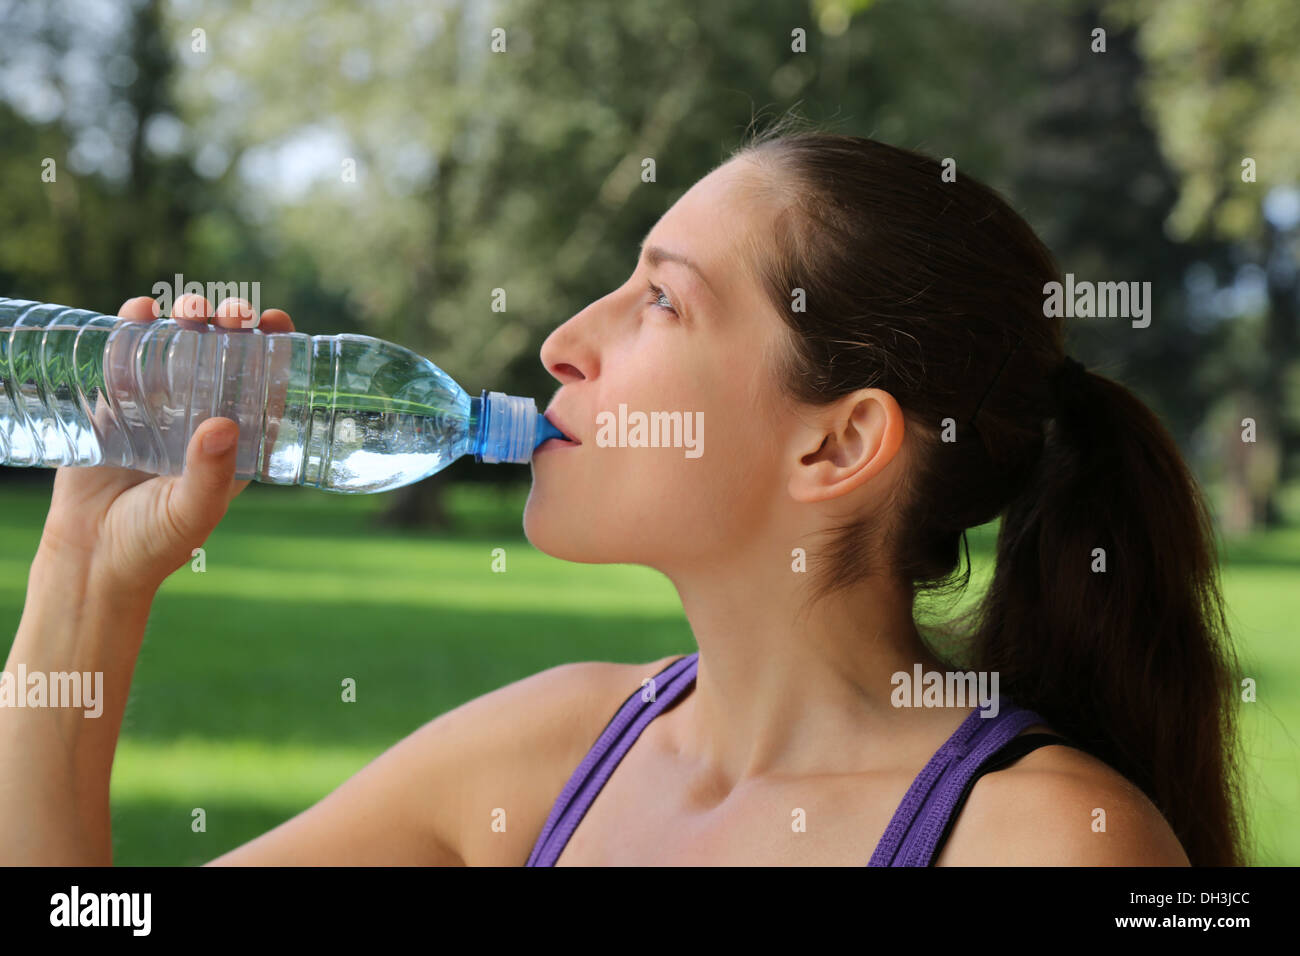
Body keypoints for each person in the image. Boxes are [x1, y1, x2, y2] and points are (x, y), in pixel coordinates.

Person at [0, 123, 1244, 866]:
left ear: (837, 444)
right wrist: (84, 576)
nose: (560, 342)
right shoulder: (543, 753)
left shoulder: (1043, 842)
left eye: (660, 298)